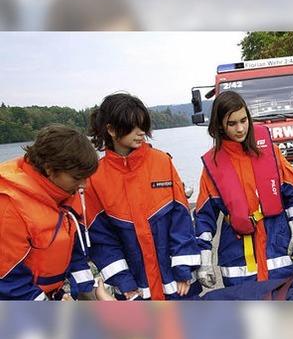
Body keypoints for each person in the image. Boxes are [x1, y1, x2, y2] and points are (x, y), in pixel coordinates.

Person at [83, 92, 204, 300]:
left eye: (143, 125)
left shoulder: (162, 162)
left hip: (176, 284)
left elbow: (181, 218)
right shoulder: (95, 178)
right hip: (135, 290)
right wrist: (123, 282)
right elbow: (101, 239)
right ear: (111, 129)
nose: (141, 133)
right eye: (134, 126)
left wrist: (184, 267)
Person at [193, 91, 293, 287]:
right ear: (220, 126)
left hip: (277, 246)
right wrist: (204, 263)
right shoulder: (213, 165)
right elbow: (204, 218)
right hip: (237, 256)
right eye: (232, 124)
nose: (240, 129)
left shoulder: (269, 152)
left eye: (243, 120)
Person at [0, 124, 106, 300]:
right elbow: (8, 281)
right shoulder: (9, 206)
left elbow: (74, 254)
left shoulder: (64, 195)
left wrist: (91, 293)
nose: (84, 185)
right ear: (49, 168)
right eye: (77, 178)